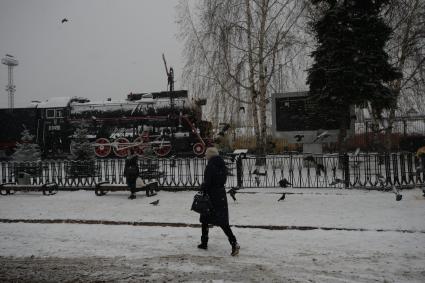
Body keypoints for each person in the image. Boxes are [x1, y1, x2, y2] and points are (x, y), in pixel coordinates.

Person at [198, 147, 240, 256]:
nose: (205, 156)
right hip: (220, 194)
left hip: (211, 195)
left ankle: (204, 242)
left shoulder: (210, 166)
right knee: (222, 221)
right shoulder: (222, 165)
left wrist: (202, 188)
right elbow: (222, 180)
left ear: (210, 155)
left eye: (206, 154)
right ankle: (233, 242)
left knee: (205, 217)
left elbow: (207, 182)